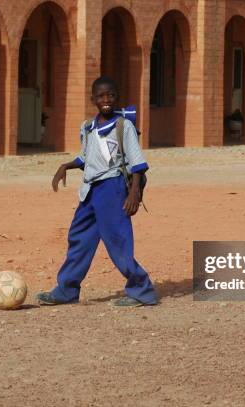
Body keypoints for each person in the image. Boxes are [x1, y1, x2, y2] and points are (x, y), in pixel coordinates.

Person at [35, 76, 158, 307]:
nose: (106, 100)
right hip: (90, 190)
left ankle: (142, 290)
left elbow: (137, 163)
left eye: (110, 95)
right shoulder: (88, 127)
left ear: (117, 97)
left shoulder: (124, 126)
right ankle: (66, 290)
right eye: (101, 96)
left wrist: (133, 193)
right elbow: (86, 157)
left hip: (113, 190)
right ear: (93, 99)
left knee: (118, 241)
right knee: (78, 238)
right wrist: (66, 166)